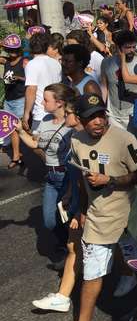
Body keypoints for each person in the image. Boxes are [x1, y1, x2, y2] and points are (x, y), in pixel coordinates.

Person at [46, 93, 137, 321]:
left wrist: (109, 180)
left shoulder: (124, 139)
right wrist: (81, 209)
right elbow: (80, 176)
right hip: (98, 218)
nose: (98, 122)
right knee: (93, 274)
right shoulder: (76, 140)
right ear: (80, 120)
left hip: (129, 215)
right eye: (91, 118)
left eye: (101, 115)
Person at [16, 84, 78, 256]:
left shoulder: (73, 124)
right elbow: (36, 144)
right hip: (51, 178)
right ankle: (65, 241)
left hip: (68, 176)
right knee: (50, 221)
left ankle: (73, 249)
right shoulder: (45, 121)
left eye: (45, 99)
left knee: (71, 218)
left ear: (59, 103)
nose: (42, 103)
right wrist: (21, 132)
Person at [100, 30, 137, 130]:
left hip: (133, 114)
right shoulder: (107, 62)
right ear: (118, 48)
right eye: (128, 47)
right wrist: (102, 110)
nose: (132, 50)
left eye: (133, 47)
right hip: (112, 114)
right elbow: (104, 87)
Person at [23, 32, 62, 133]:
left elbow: (31, 89)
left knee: (37, 145)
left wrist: (26, 113)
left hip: (41, 113)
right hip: (57, 111)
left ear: (31, 46)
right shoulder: (56, 63)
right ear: (47, 46)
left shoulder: (32, 64)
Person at [1, 34, 27, 169]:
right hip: (9, 100)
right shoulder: (6, 62)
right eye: (9, 50)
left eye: (14, 50)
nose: (12, 53)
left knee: (22, 128)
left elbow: (30, 78)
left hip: (20, 99)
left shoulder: (24, 61)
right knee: (12, 129)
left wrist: (18, 78)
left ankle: (30, 155)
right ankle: (16, 157)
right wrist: (3, 43)